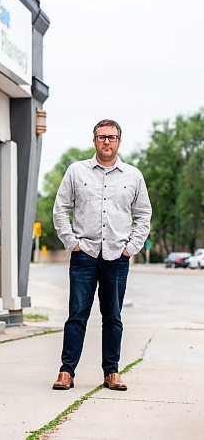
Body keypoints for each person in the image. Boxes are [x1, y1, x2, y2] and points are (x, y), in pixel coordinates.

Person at [52, 119, 152, 391]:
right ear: (94, 140)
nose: (106, 141)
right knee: (77, 316)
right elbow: (60, 209)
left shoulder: (133, 176)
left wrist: (131, 247)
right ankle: (66, 371)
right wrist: (71, 242)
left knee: (113, 317)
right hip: (84, 254)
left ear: (119, 140)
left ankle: (112, 372)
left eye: (111, 137)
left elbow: (143, 215)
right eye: (101, 137)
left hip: (117, 258)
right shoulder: (76, 171)